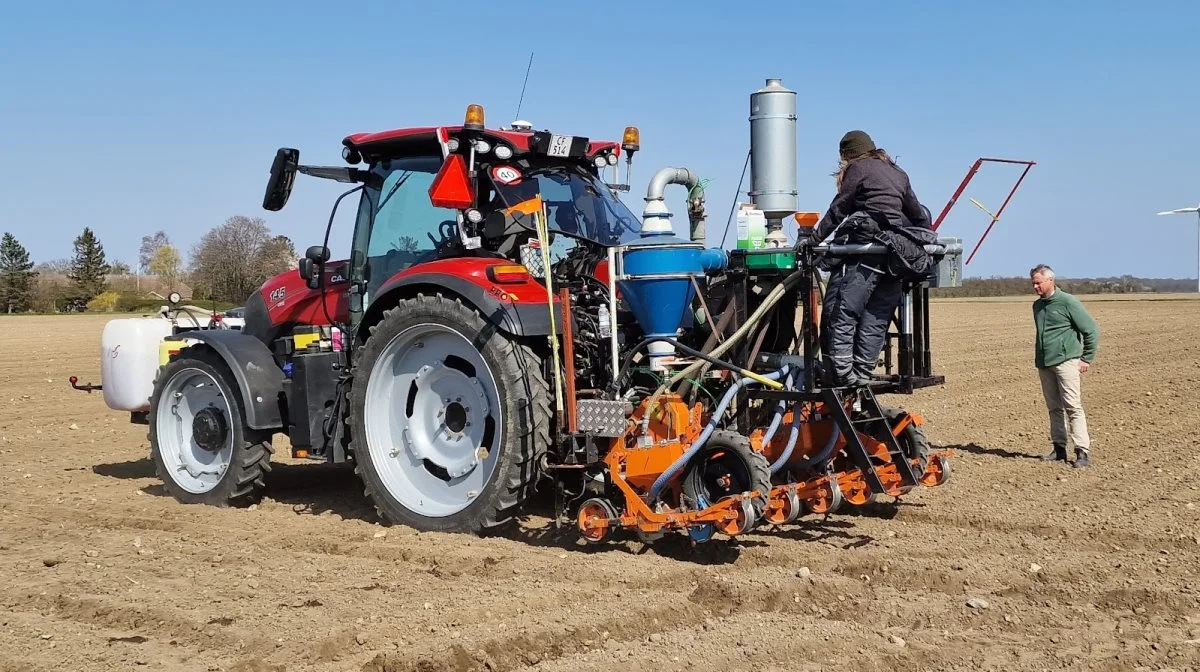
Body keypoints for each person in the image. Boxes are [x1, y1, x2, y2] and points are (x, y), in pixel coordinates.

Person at [809, 130, 933, 387]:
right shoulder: (898, 172)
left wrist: (812, 241)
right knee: (877, 316)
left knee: (843, 312)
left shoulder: (858, 168)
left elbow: (838, 209)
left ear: (847, 155)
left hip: (866, 252)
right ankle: (863, 373)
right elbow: (919, 215)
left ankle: (842, 374)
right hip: (896, 256)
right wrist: (924, 242)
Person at [1030, 264, 1099, 467]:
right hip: (1044, 363)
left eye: (1038, 283)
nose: (1035, 287)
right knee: (1054, 407)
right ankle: (1059, 448)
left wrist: (1086, 358)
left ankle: (1082, 452)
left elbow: (1091, 330)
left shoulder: (1068, 302)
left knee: (1073, 407)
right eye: (1033, 283)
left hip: (1066, 362)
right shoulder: (1037, 306)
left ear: (1050, 281)